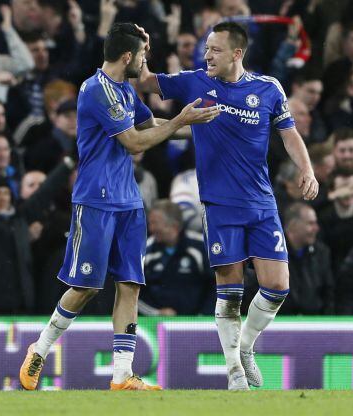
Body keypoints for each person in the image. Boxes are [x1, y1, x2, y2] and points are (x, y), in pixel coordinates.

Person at [17, 22, 219, 392]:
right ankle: (40, 347)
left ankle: (122, 374)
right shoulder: (96, 90)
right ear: (127, 56)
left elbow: (150, 123)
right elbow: (134, 141)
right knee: (86, 287)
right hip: (95, 200)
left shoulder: (125, 91)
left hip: (129, 202)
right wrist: (180, 119)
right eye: (142, 54)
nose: (145, 61)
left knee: (130, 285)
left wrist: (203, 126)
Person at [137, 21, 319, 390]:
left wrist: (308, 170)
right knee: (230, 290)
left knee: (277, 286)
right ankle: (234, 370)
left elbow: (288, 133)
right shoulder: (194, 81)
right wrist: (140, 47)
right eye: (206, 48)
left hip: (261, 203)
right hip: (219, 204)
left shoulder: (268, 89)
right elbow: (146, 81)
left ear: (237, 53)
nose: (207, 55)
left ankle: (246, 346)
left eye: (215, 50)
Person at [139, 199, 213, 316]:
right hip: (154, 323)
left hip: (198, 323)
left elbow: (215, 286)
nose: (151, 228)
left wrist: (204, 315)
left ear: (174, 226)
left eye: (155, 223)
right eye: (150, 223)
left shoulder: (201, 247)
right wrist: (156, 313)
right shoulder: (145, 250)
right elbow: (133, 292)